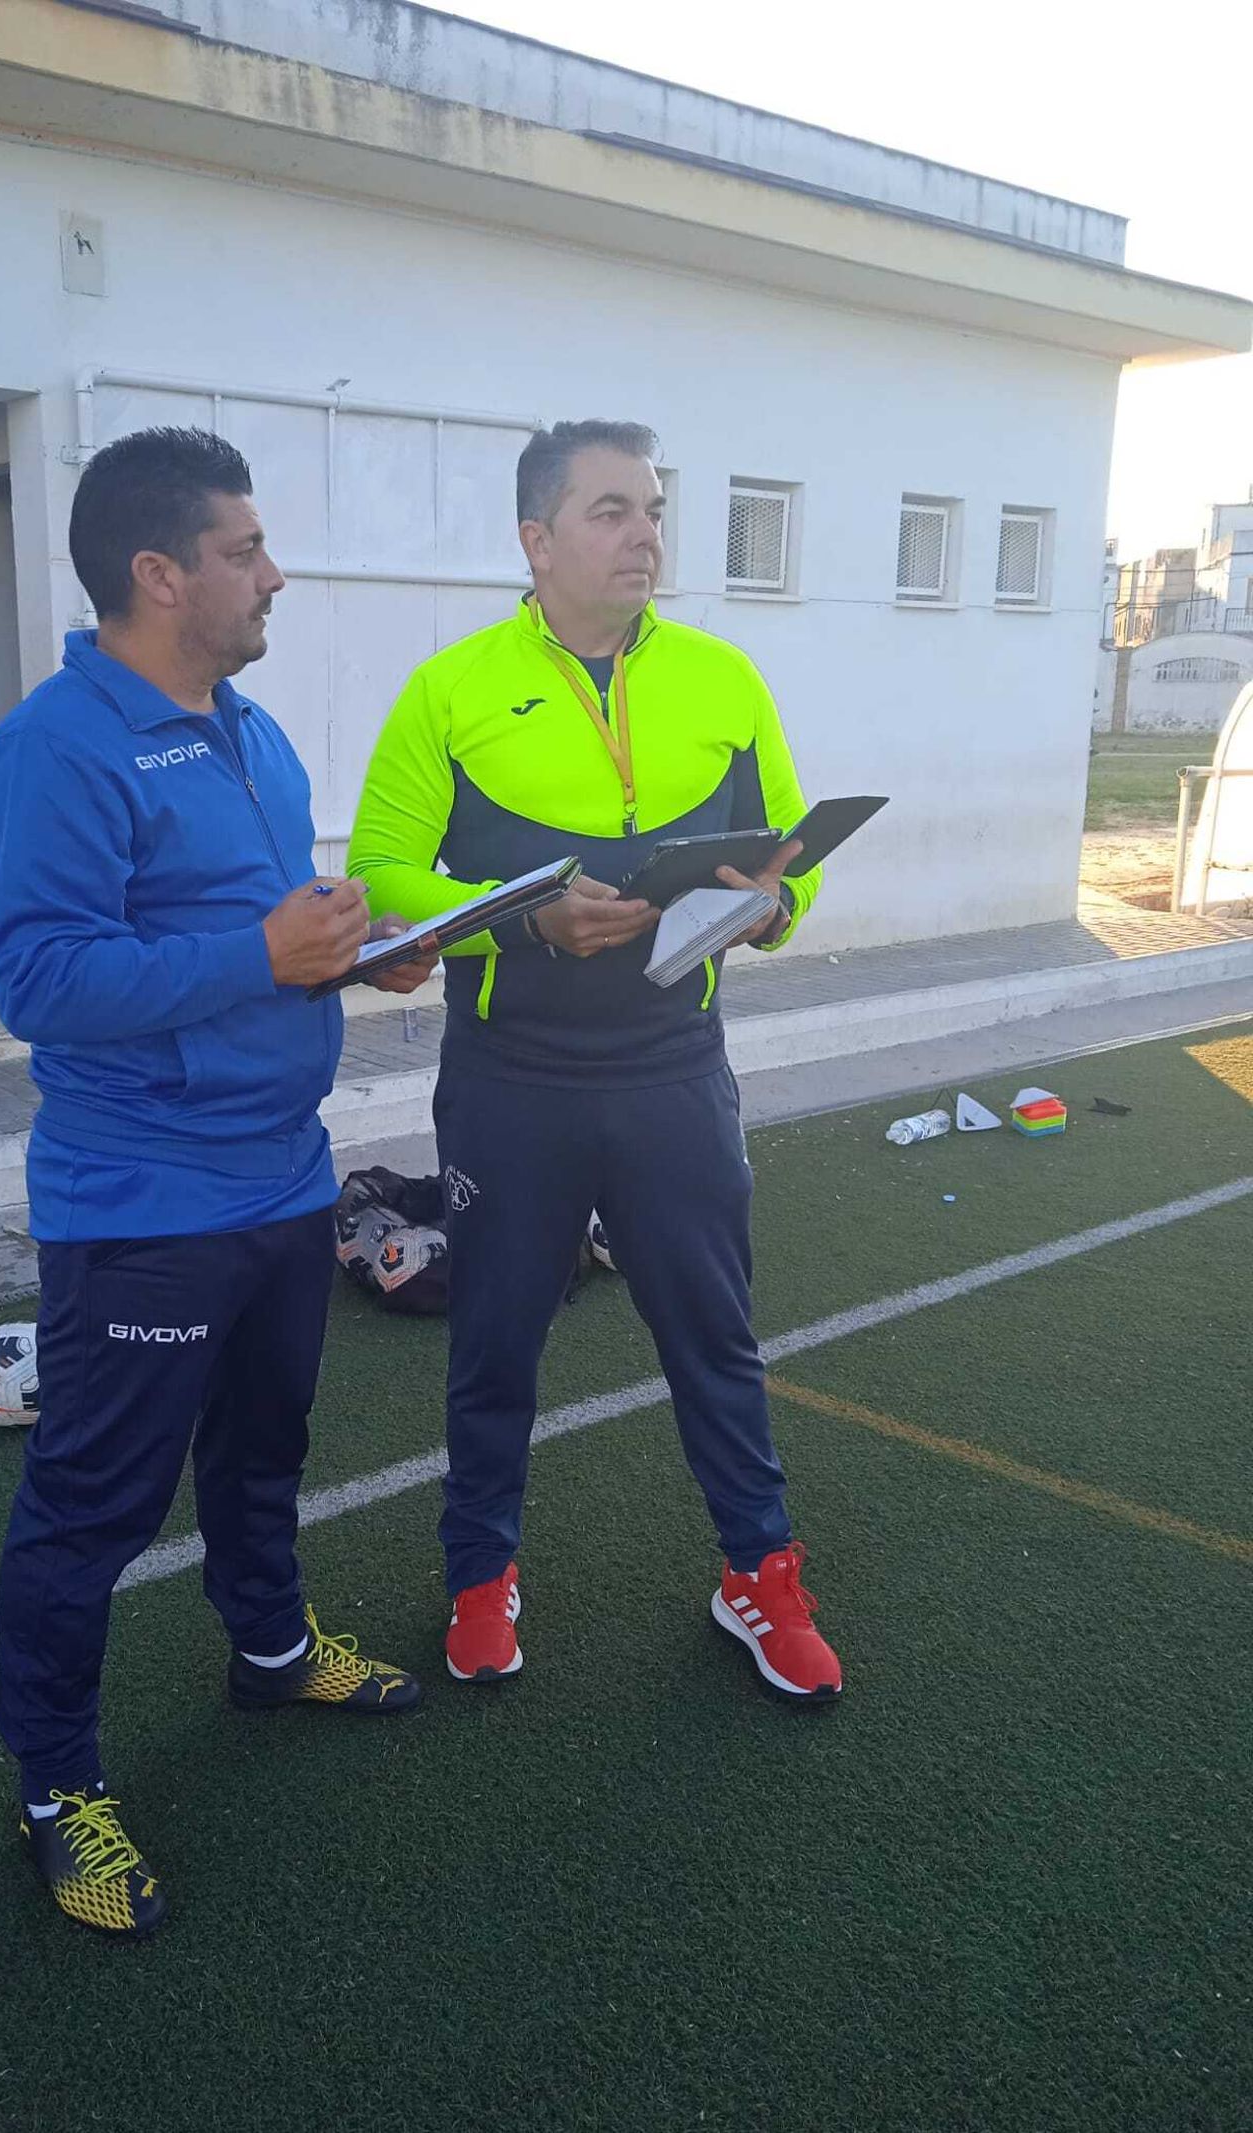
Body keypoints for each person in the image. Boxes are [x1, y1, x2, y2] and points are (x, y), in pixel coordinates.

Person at [0, 426, 436, 1940]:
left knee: (260, 1453)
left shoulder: (251, 730)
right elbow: (36, 978)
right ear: (159, 574)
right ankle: (54, 1786)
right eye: (244, 547)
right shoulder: (56, 746)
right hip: (142, 1204)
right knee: (91, 1510)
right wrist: (259, 955)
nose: (272, 570)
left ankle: (271, 1646)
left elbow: (271, 938)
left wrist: (364, 954)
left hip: (284, 1181)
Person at [348, 419, 842, 1703]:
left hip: (676, 1067)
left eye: (653, 509)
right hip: (512, 1080)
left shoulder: (725, 678)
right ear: (537, 538)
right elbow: (382, 871)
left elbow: (787, 859)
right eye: (613, 511)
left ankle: (760, 1579)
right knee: (494, 1345)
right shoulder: (450, 690)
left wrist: (777, 902)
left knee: (714, 1340)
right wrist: (524, 915)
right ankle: (477, 1578)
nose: (646, 536)